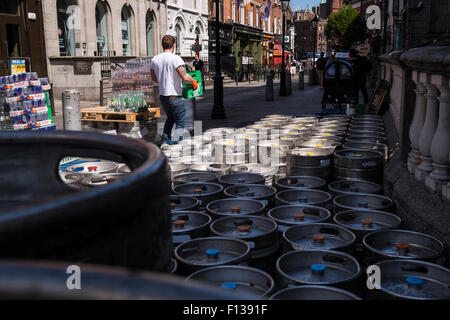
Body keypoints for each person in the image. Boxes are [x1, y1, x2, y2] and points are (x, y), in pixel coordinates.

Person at [150, 35, 198, 145]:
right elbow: (185, 77)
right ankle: (175, 145)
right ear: (173, 45)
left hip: (163, 96)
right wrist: (194, 81)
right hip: (175, 95)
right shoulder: (175, 58)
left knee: (170, 118)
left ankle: (165, 141)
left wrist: (163, 81)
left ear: (162, 45)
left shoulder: (155, 59)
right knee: (180, 123)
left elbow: (153, 78)